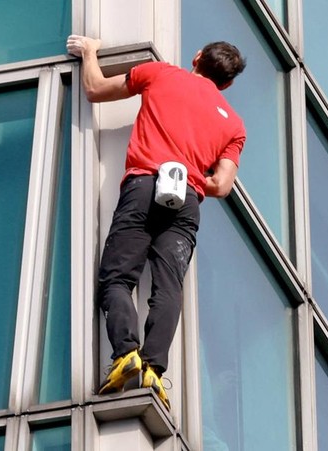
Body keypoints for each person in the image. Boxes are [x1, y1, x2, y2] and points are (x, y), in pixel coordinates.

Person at [66, 35, 247, 409]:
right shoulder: (235, 127)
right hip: (188, 203)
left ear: (197, 56)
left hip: (145, 184)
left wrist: (89, 52)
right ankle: (153, 370)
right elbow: (221, 185)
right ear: (227, 83)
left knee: (117, 277)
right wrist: (193, 174)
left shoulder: (160, 74)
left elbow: (95, 89)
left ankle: (125, 355)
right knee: (168, 286)